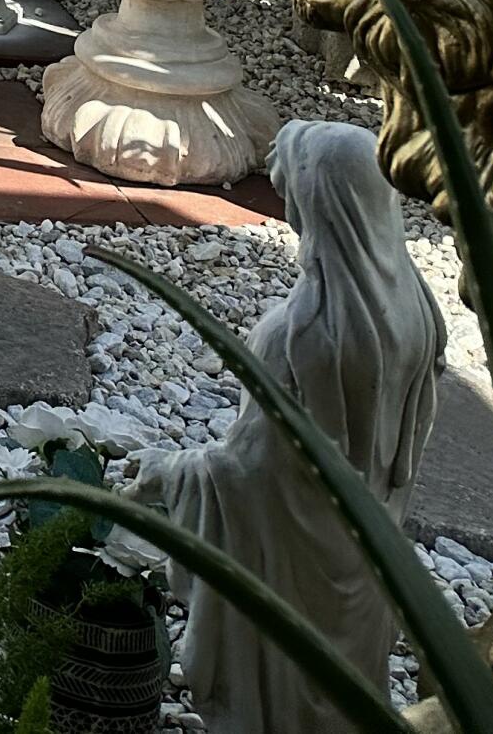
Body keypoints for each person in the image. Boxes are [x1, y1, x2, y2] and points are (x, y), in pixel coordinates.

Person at [137, 118, 447, 734]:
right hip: (367, 561)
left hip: (296, 571)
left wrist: (168, 474)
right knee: (348, 693)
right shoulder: (417, 312)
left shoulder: (299, 335)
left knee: (290, 694)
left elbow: (248, 472)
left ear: (317, 206)